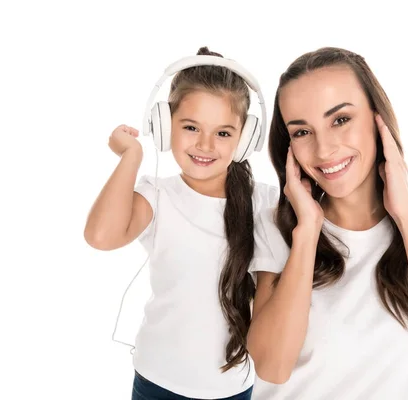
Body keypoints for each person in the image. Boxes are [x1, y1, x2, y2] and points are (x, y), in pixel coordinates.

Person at [246, 47, 408, 400]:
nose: (324, 149)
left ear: (378, 120)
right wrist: (308, 231)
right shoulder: (278, 227)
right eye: (301, 132)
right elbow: (272, 367)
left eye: (340, 120)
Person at [84, 47, 277, 400]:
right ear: (163, 125)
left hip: (230, 389)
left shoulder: (262, 203)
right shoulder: (157, 197)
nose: (205, 144)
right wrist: (132, 155)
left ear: (246, 138)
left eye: (223, 133)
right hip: (156, 381)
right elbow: (100, 236)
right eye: (190, 127)